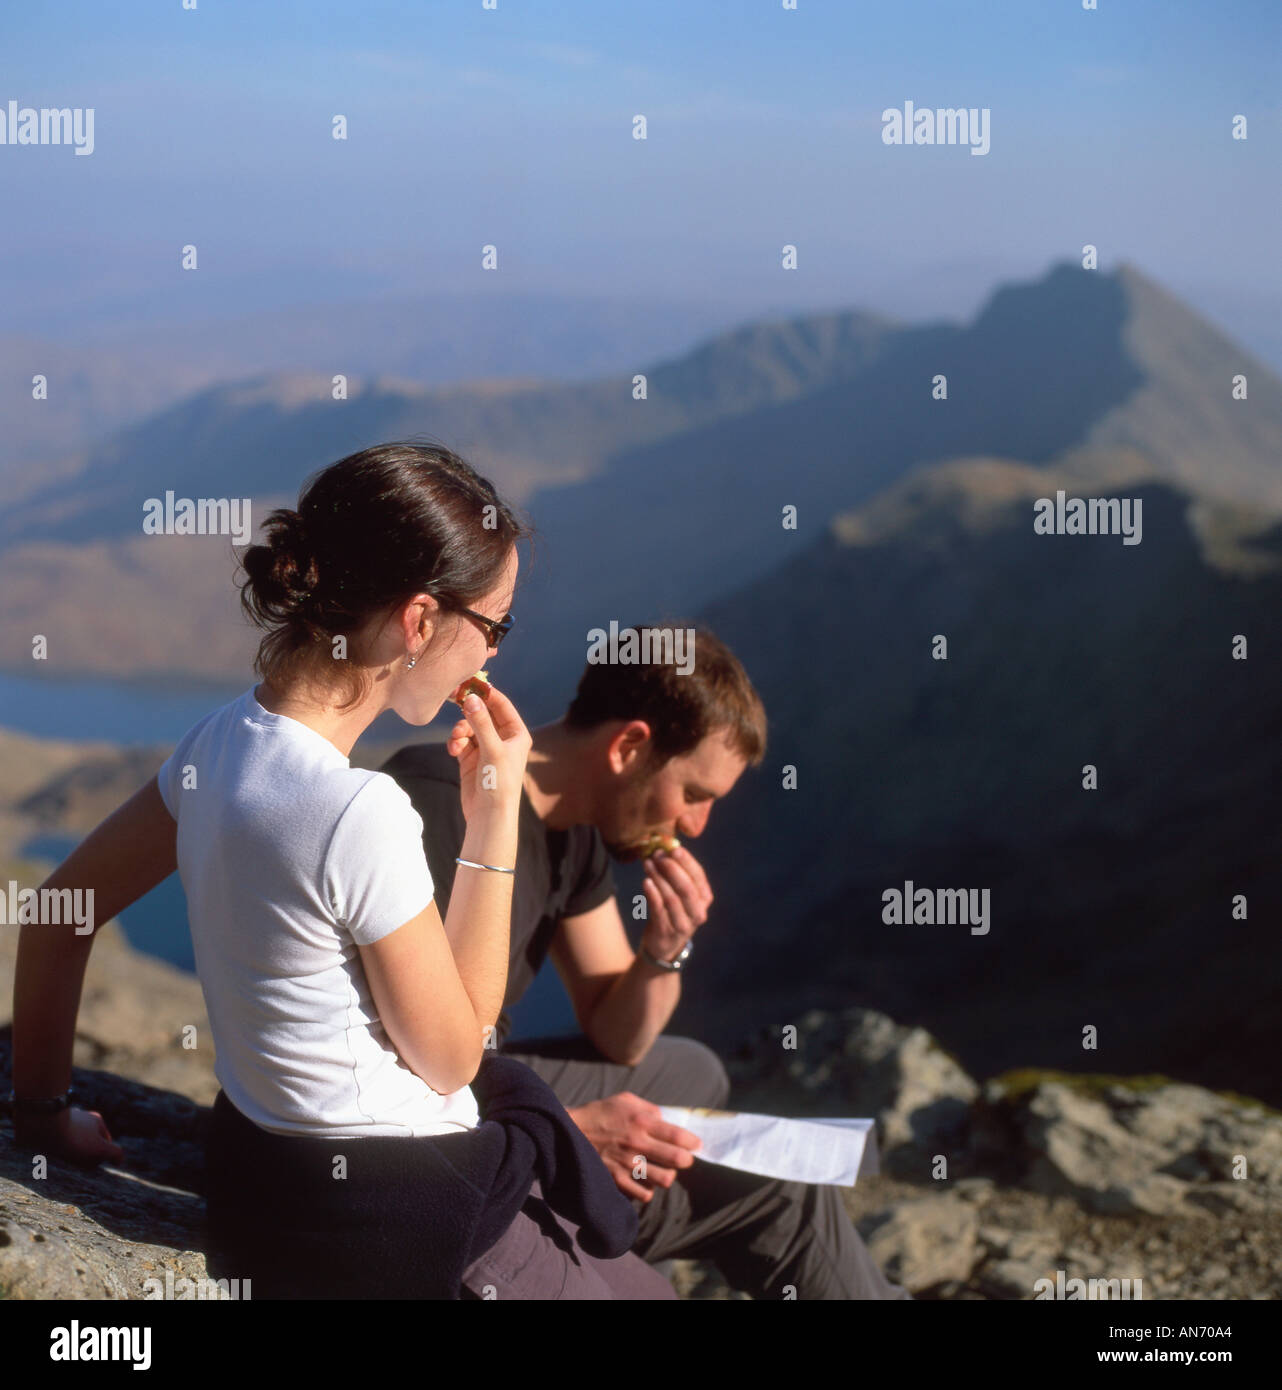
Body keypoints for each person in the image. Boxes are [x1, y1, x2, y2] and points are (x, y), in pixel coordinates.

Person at [7, 441, 675, 1300]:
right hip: (391, 1213)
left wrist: (42, 1115)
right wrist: (497, 817)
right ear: (420, 620)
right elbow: (454, 1060)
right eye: (494, 624)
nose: (495, 653)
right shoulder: (358, 811)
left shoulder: (216, 744)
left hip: (264, 1178)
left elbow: (60, 913)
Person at [383, 625, 912, 1300]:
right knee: (779, 1190)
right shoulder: (438, 803)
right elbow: (391, 1068)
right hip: (430, 1123)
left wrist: (665, 951)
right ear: (629, 745)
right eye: (694, 794)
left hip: (484, 1076)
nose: (698, 825)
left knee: (691, 1069)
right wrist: (567, 1131)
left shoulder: (575, 831)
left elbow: (618, 1034)